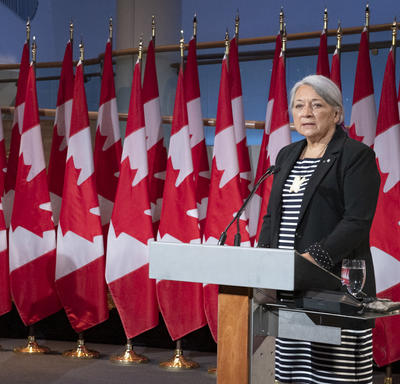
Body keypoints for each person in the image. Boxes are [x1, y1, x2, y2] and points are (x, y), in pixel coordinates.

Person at [258, 74, 380, 384]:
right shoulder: (287, 156)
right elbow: (272, 217)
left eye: (316, 105)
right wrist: (263, 264)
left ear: (337, 114)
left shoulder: (355, 156)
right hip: (288, 286)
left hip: (334, 285)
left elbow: (357, 221)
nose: (306, 113)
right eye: (299, 106)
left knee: (330, 375)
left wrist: (312, 260)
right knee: (293, 371)